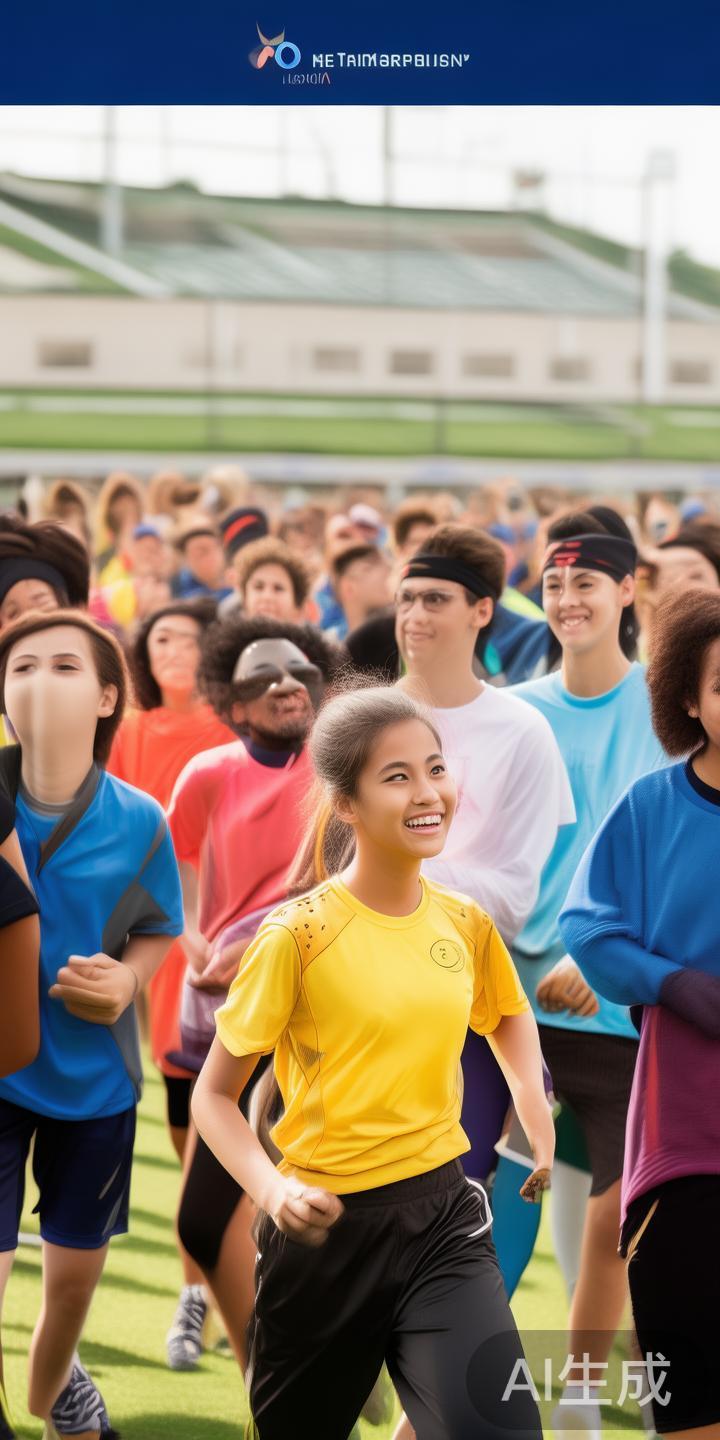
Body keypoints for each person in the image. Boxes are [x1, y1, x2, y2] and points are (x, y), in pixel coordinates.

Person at [192, 684, 554, 1440]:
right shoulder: (297, 936)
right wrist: (273, 1189)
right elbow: (215, 1099)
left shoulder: (464, 920)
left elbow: (508, 1013)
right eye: (398, 777)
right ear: (346, 804)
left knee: (501, 1431)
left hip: (442, 1220)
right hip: (321, 1236)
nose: (429, 794)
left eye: (436, 769)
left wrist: (528, 1094)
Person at [496, 509, 666, 1435]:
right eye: (554, 584)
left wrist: (598, 961)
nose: (566, 599)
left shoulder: (668, 713)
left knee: (614, 1222)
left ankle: (584, 1397)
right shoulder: (515, 712)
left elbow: (673, 862)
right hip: (509, 1008)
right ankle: (437, 1385)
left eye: (586, 582)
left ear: (626, 590)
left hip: (621, 1006)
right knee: (484, 1215)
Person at [0, 611, 183, 1440]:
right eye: (22, 666)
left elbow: (158, 928)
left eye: (66, 666)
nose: (39, 681)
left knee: (70, 1286)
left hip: (97, 1084)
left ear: (110, 695)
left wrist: (128, 981)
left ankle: (56, 1395)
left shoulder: (141, 817)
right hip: (0, 1071)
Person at [559, 587, 720, 1440]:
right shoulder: (651, 806)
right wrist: (672, 982)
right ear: (688, 700)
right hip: (682, 1135)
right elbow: (587, 924)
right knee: (689, 1399)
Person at [167, 616, 337, 1369]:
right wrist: (193, 935)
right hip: (222, 1009)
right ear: (230, 703)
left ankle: (298, 1371)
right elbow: (172, 856)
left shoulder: (338, 769)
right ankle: (274, 1374)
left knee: (262, 1212)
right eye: (263, 678)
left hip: (311, 1011)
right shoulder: (205, 773)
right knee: (207, 1223)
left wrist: (259, 946)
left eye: (299, 672)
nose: (285, 685)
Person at [106, 598, 235, 1371]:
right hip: (168, 951)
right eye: (161, 639)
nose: (176, 651)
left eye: (191, 638)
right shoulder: (129, 735)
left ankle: (209, 1297)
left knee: (234, 1138)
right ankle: (200, 1291)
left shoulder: (233, 738)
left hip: (238, 953)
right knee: (187, 1127)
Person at [225, 536, 311, 624]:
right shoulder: (223, 636)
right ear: (245, 599)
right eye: (258, 587)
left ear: (297, 606)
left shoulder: (318, 637)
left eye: (278, 588)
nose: (267, 597)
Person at [327, 544, 393, 640]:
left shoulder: (404, 640)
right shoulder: (330, 646)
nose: (386, 571)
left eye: (384, 564)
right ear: (348, 588)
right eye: (369, 568)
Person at [171, 520, 233, 603]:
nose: (212, 556)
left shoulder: (238, 584)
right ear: (186, 560)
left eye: (216, 548)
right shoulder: (179, 595)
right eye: (202, 553)